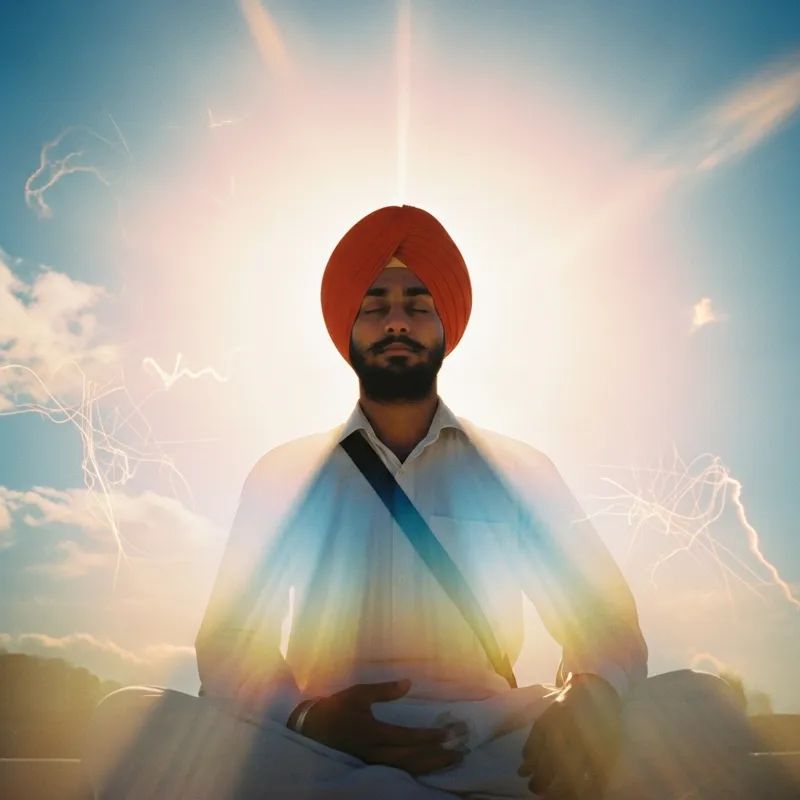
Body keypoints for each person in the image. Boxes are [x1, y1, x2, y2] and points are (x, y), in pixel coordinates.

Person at [85, 205, 760, 799]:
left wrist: (591, 696)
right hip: (330, 746)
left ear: (446, 324)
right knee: (122, 724)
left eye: (417, 303)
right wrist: (307, 718)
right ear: (347, 330)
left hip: (501, 742)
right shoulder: (285, 473)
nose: (397, 322)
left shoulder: (520, 469)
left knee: (707, 708)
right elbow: (232, 643)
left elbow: (603, 622)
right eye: (375, 306)